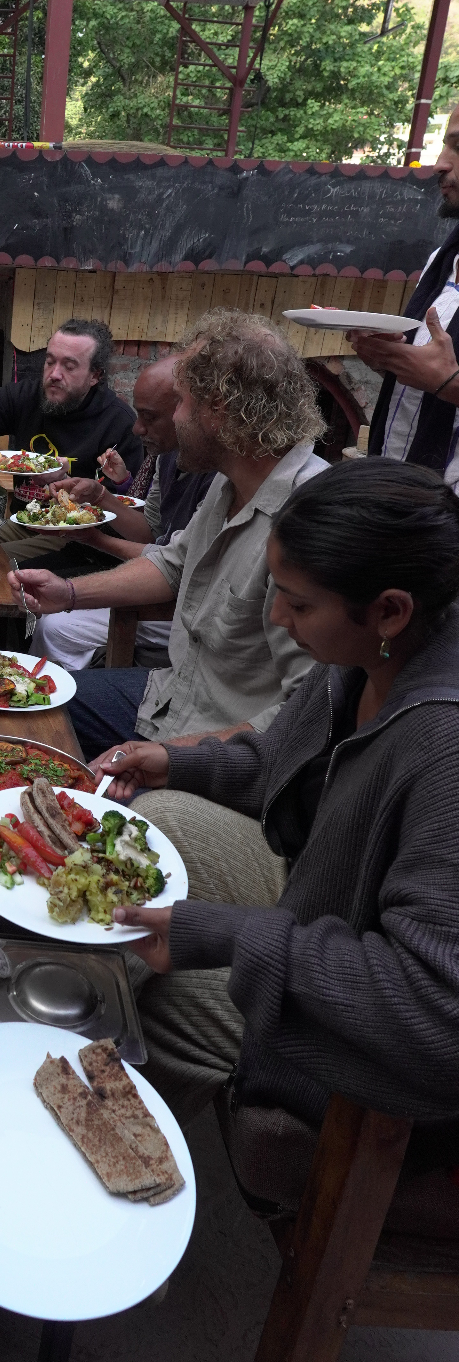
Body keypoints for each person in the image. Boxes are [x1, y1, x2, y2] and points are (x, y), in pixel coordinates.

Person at [90, 459, 459, 1144]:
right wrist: (178, 761)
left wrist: (224, 934)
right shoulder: (367, 656)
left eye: (298, 602)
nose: (278, 617)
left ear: (390, 608)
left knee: (139, 994)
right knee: (148, 822)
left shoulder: (443, 746)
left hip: (370, 1049)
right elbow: (281, 762)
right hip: (318, 902)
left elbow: (434, 1012)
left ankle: (124, 1151)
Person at [10, 310, 329, 753]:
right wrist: (68, 593)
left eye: (180, 402)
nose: (172, 419)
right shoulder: (229, 482)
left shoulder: (311, 520)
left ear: (218, 410)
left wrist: (172, 759)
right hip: (171, 695)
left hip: (227, 739)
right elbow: (173, 563)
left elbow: (308, 713)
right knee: (23, 708)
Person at [30, 356, 214, 669]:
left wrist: (94, 541)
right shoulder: (166, 456)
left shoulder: (217, 477)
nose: (136, 428)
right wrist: (101, 495)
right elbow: (151, 531)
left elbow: (173, 565)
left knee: (55, 625)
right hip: (158, 585)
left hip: (181, 610)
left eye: (149, 417)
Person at [0, 320, 143, 508]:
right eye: (50, 362)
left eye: (69, 366)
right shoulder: (24, 396)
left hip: (81, 541)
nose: (55, 374)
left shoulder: (119, 423)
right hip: (21, 524)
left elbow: (126, 506)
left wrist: (69, 480)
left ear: (95, 375)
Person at [355, 103, 459, 481]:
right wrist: (390, 355)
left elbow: (443, 378)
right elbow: (425, 376)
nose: (440, 164)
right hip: (400, 493)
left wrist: (448, 384)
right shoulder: (443, 259)